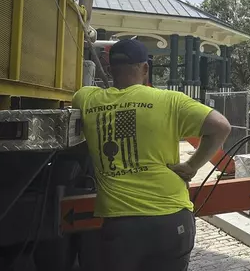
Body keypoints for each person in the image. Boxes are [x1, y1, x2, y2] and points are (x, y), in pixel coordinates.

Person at [72, 39, 231, 271]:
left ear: (108, 68)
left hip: (121, 227)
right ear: (145, 68)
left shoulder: (87, 99)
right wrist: (192, 166)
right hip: (172, 219)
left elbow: (78, 94)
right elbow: (221, 126)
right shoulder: (169, 100)